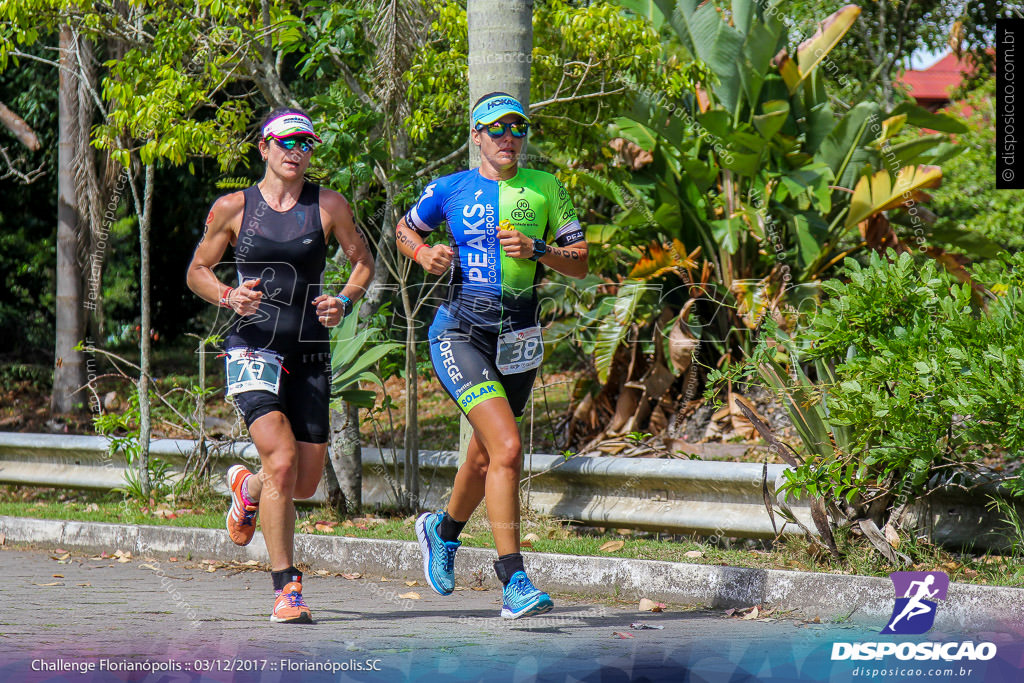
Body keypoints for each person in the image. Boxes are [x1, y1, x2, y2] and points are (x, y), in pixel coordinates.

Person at [396, 92, 588, 619]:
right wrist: (422, 252)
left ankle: (442, 531)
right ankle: (513, 579)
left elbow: (580, 262)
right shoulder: (452, 189)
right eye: (496, 129)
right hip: (460, 332)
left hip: (520, 337)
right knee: (506, 447)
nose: (508, 138)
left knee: (485, 456)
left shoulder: (546, 188)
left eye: (517, 129)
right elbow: (404, 228)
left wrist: (539, 249)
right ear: (476, 135)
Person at [186, 107, 373, 623]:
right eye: (286, 142)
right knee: (283, 463)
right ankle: (286, 588)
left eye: (307, 143)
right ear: (264, 148)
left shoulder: (329, 205)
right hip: (252, 349)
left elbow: (363, 262)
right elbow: (197, 270)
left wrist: (346, 300)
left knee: (304, 484)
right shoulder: (233, 207)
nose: (297, 151)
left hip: (311, 351)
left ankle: (246, 488)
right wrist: (228, 296)